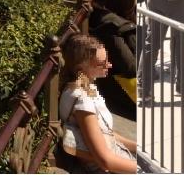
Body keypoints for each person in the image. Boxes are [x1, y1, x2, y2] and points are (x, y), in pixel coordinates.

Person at [58, 34, 137, 173]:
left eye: (107, 59)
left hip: (116, 157)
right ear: (82, 68)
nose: (109, 65)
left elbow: (107, 134)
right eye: (102, 63)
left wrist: (139, 148)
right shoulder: (83, 102)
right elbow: (105, 161)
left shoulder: (83, 87)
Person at [90, 0, 137, 118]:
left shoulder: (96, 13)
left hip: (112, 81)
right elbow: (130, 67)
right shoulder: (112, 27)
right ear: (125, 1)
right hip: (121, 88)